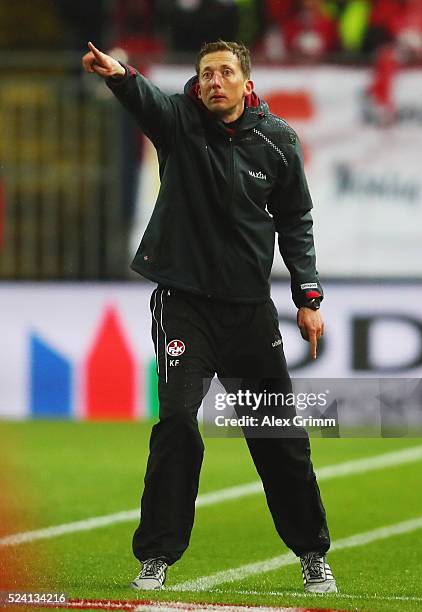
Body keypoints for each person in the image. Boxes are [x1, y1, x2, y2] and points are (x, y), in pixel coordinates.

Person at [82, 39, 337, 594]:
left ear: (247, 84)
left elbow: (296, 221)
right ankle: (157, 557)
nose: (214, 81)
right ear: (197, 85)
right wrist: (120, 75)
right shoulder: (178, 122)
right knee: (176, 424)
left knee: (279, 436)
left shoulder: (279, 142)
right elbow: (144, 97)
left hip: (250, 312)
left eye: (225, 72)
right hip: (184, 306)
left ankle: (312, 553)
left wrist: (309, 298)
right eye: (205, 74)